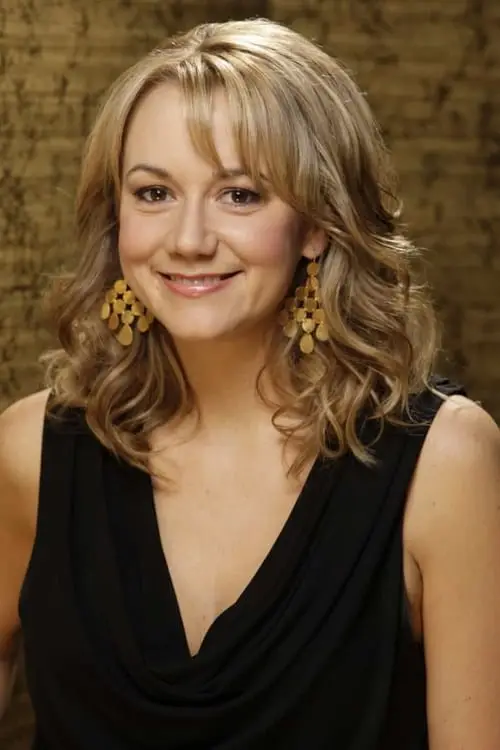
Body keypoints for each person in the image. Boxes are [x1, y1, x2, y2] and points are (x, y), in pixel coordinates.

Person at [0, 17, 499, 750]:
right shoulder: (29, 452)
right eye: (154, 192)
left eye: (239, 195)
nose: (189, 240)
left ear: (318, 224)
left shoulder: (446, 463)